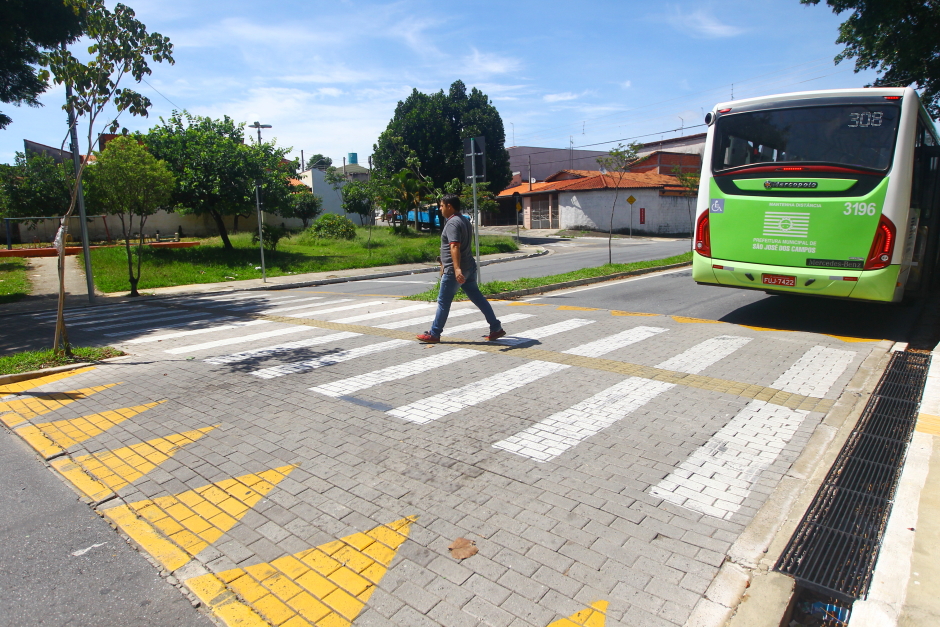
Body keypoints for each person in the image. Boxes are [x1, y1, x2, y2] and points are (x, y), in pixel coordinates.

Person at [417, 194, 505, 343]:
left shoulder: (452, 223)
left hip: (455, 270)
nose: (440, 208)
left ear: (449, 206)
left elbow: (455, 246)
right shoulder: (464, 220)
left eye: (441, 205)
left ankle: (434, 333)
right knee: (478, 298)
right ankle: (496, 328)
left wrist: (456, 269)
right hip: (469, 267)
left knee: (443, 301)